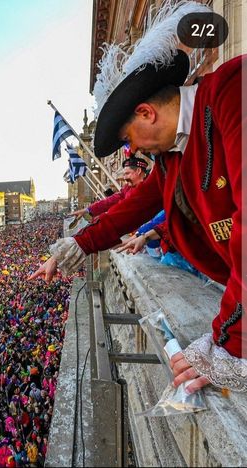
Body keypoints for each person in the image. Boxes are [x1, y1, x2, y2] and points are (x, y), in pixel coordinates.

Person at [30, 1, 246, 393]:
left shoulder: (233, 89)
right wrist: (76, 245)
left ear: (146, 112)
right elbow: (132, 207)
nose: (136, 153)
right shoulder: (171, 158)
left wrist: (232, 344)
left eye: (129, 140)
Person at [69, 156, 149, 218]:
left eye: (127, 173)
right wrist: (87, 210)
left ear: (138, 171)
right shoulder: (127, 188)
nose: (124, 178)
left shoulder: (150, 186)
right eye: (124, 174)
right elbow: (110, 201)